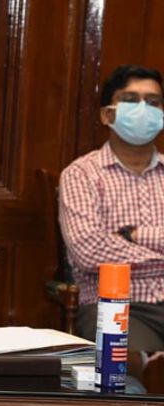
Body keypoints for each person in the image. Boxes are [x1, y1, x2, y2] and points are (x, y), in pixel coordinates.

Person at [59, 64, 164, 371]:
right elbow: (90, 251)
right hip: (117, 306)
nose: (144, 109)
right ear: (107, 114)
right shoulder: (81, 174)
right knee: (126, 372)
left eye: (153, 102)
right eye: (130, 99)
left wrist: (134, 235)